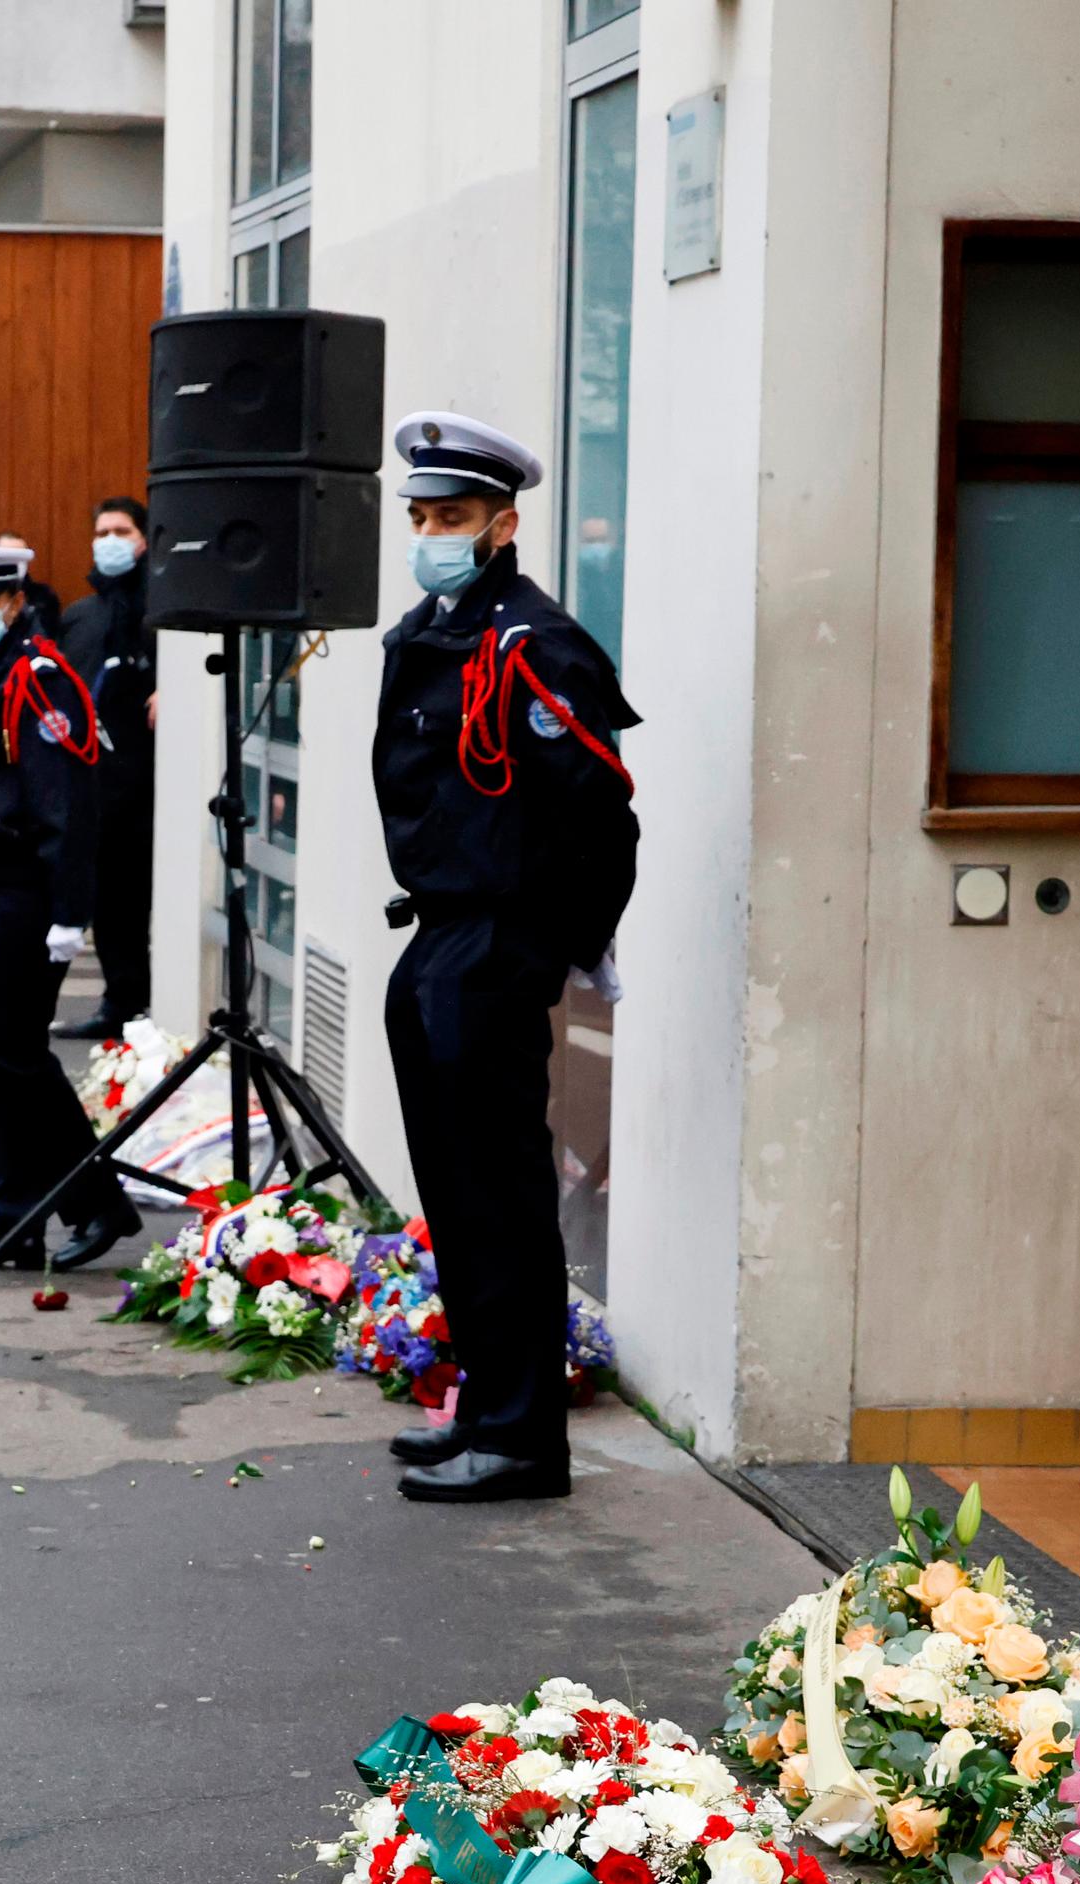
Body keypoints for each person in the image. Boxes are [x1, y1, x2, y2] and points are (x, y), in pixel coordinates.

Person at [366, 412, 638, 1506]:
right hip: (436, 934)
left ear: (504, 524)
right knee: (456, 1193)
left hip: (492, 943)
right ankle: (486, 1405)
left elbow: (603, 813)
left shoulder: (532, 645)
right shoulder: (435, 629)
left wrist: (570, 943)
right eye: (422, 516)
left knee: (503, 1196)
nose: (433, 532)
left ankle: (526, 1438)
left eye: (454, 517)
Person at [0, 540, 140, 1275]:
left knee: (15, 1056)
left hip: (26, 888)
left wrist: (71, 911)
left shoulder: (39, 679)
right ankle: (18, 1215)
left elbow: (66, 802)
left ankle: (94, 1201)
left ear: (13, 601)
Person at [57, 496, 157, 1035]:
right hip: (98, 781)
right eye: (102, 531)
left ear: (143, 540)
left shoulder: (161, 609)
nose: (110, 540)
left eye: (121, 530)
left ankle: (149, 996)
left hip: (150, 781)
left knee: (143, 897)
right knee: (112, 902)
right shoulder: (81, 614)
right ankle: (121, 1000)